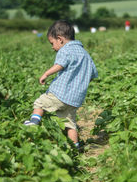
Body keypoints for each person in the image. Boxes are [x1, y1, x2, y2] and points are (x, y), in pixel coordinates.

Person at [24, 20, 98, 149]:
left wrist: (46, 74)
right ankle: (75, 147)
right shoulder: (85, 54)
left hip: (60, 93)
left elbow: (60, 65)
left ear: (60, 39)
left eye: (52, 43)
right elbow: (92, 74)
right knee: (70, 123)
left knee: (39, 103)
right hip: (75, 98)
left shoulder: (65, 50)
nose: (52, 47)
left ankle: (33, 124)